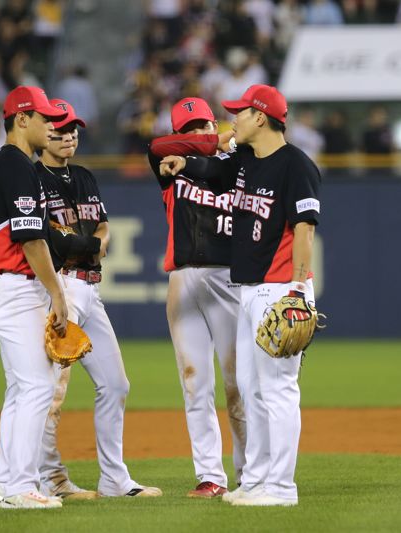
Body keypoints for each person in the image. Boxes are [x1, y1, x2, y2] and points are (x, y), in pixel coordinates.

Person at [159, 85, 322, 507]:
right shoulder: (247, 160)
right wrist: (186, 160)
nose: (233, 119)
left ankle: (282, 488)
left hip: (282, 288)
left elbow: (305, 230)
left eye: (241, 113)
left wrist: (300, 290)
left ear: (262, 117)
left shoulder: (296, 166)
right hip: (249, 290)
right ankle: (257, 481)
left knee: (279, 390)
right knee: (251, 389)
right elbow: (213, 172)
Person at [36, 98, 162, 499]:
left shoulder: (86, 176)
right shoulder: (33, 178)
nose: (69, 135)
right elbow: (53, 238)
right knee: (52, 391)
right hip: (61, 287)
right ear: (43, 133)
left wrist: (92, 242)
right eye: (59, 128)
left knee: (116, 384)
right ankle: (49, 479)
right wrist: (87, 243)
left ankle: (114, 479)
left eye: (73, 128)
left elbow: (103, 227)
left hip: (90, 286)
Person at [146, 97, 246, 498]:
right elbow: (155, 148)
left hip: (229, 278)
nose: (199, 133)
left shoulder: (237, 162)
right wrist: (211, 142)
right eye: (188, 130)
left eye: (204, 125)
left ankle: (249, 471)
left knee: (238, 383)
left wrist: (220, 145)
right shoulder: (170, 164)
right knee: (194, 382)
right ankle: (210, 475)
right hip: (183, 280)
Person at [0, 86, 69, 510]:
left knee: (21, 389)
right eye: (45, 118)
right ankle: (19, 486)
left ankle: (8, 485)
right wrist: (58, 293)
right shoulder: (16, 166)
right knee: (36, 387)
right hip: (17, 288)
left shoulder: (6, 164)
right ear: (21, 119)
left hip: (8, 286)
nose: (52, 125)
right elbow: (31, 239)